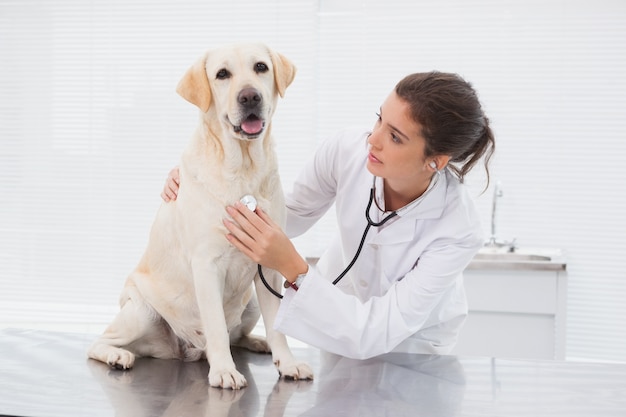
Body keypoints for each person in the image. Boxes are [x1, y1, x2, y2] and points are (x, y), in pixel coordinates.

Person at [161, 71, 495, 359]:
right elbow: (286, 215)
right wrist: (202, 181)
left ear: (435, 161)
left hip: (414, 345)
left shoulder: (458, 230)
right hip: (339, 313)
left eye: (394, 136)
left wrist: (293, 267)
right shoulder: (346, 149)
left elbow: (375, 331)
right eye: (379, 118)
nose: (373, 140)